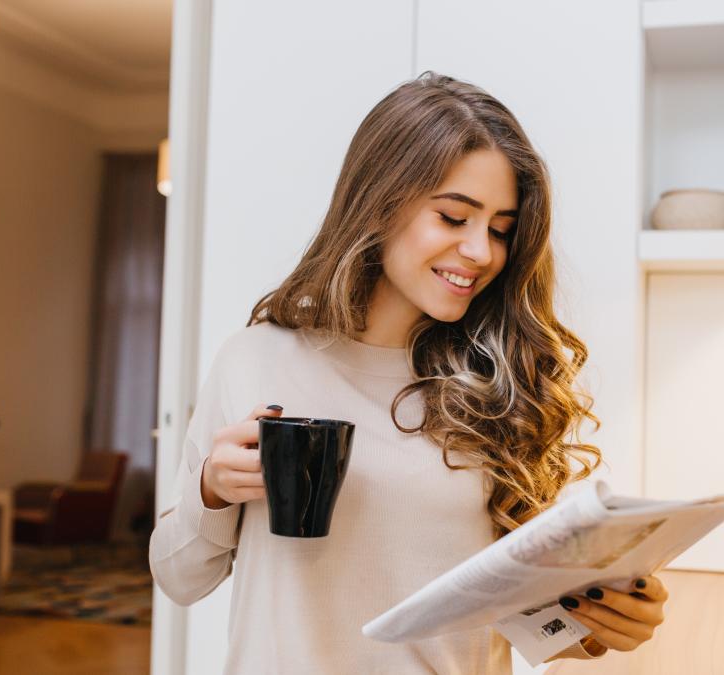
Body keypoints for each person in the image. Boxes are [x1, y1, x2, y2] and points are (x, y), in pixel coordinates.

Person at [149, 71, 668, 674]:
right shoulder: (255, 359)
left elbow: (520, 618)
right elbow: (179, 578)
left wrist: (599, 624)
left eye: (500, 230)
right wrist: (212, 489)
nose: (482, 252)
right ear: (381, 202)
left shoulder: (498, 386)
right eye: (453, 217)